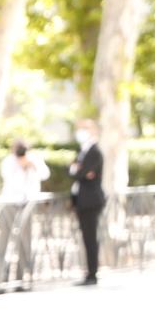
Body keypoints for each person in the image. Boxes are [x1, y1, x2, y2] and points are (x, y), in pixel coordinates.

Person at [0, 139, 50, 288]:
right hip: (10, 203)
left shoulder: (34, 160)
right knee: (4, 239)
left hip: (27, 205)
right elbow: (10, 179)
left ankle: (22, 278)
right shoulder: (9, 162)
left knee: (25, 241)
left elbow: (45, 174)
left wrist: (32, 165)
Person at [69, 118, 105, 286]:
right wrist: (78, 171)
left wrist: (80, 171)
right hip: (81, 201)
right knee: (86, 238)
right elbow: (74, 171)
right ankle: (89, 272)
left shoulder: (95, 152)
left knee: (91, 238)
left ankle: (92, 274)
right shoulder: (82, 151)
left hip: (91, 201)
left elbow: (82, 173)